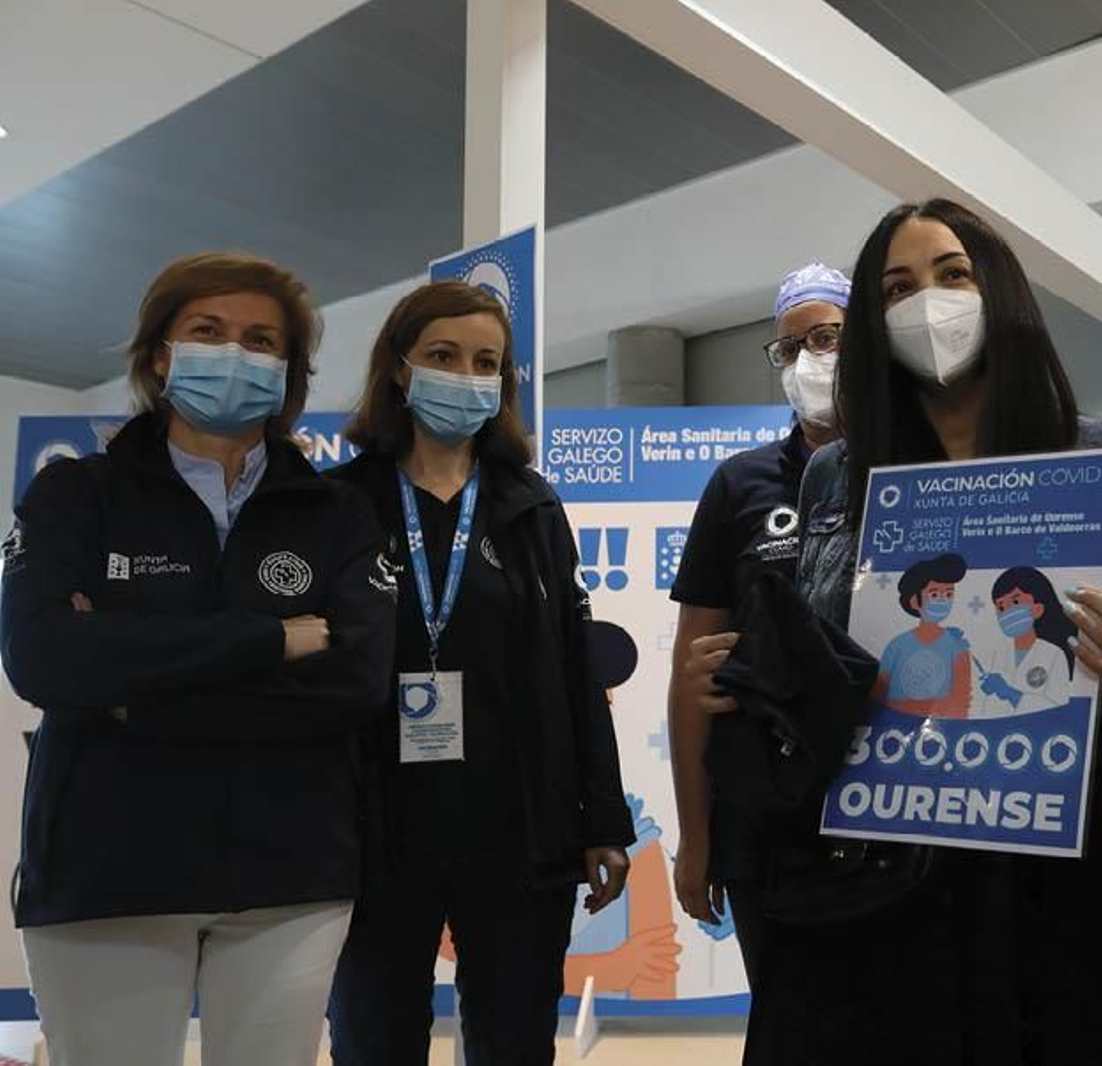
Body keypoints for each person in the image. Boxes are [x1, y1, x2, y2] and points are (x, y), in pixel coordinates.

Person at [743, 199, 1102, 1065]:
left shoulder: (1094, 455)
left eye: (952, 275)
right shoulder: (838, 473)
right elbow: (814, 669)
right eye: (897, 288)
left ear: (998, 290)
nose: (929, 302)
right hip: (877, 852)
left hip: (1043, 846)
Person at [0, 253, 396, 1066]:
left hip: (292, 875)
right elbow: (44, 659)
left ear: (287, 371)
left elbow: (355, 681)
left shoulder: (338, 514)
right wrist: (274, 639)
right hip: (107, 871)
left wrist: (133, 691)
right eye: (208, 333)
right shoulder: (77, 494)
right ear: (158, 354)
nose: (236, 354)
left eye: (261, 341)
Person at [325, 281, 634, 1066]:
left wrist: (601, 819)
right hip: (375, 834)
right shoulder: (340, 506)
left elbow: (576, 673)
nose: (466, 375)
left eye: (486, 362)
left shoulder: (530, 507)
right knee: (373, 1042)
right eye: (442, 355)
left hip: (515, 830)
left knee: (513, 1045)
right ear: (399, 368)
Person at [667, 262, 849, 984]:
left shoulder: (913, 467)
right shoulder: (740, 485)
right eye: (791, 347)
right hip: (765, 817)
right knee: (785, 1026)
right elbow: (691, 675)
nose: (810, 359)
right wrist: (695, 834)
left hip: (888, 804)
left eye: (828, 337)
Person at [873, 553, 973, 718]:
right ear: (914, 601)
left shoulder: (958, 647)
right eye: (934, 594)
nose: (943, 600)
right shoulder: (896, 646)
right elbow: (878, 696)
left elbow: (962, 701)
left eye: (948, 594)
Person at [975, 566, 1077, 717]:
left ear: (1037, 609)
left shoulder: (1054, 655)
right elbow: (987, 708)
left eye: (1015, 602)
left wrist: (1010, 694)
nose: (1007, 612)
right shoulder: (997, 654)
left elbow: (1060, 707)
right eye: (1001, 607)